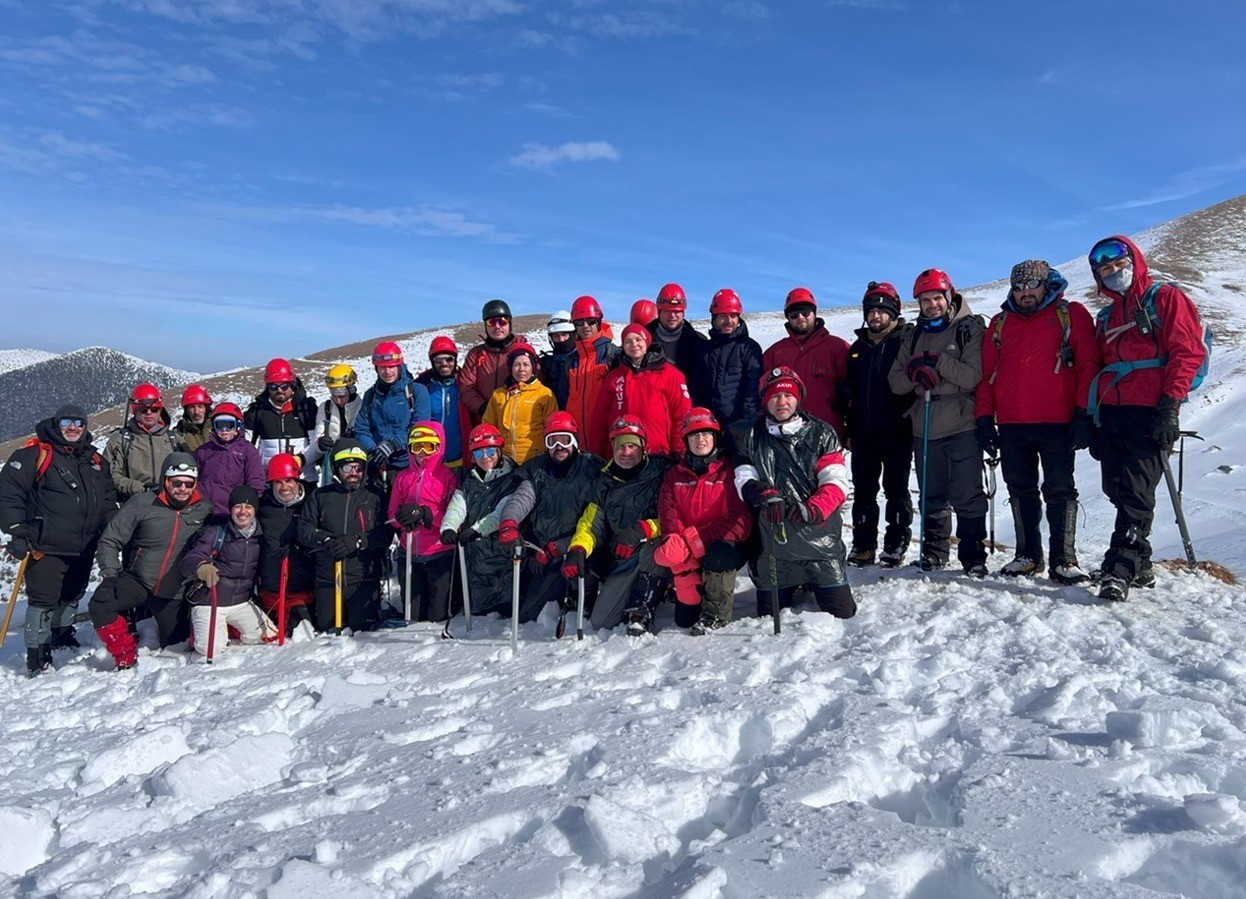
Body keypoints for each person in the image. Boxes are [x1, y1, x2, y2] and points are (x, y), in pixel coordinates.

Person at [1086, 235, 1207, 602]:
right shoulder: (1107, 315)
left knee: (1137, 493)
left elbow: (1187, 352)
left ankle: (1119, 568)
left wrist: (1170, 404)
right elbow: (1099, 364)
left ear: (1135, 262)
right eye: (1105, 269)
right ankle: (1141, 563)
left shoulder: (1165, 299)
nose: (1113, 272)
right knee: (1116, 488)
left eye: (1119, 265)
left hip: (1150, 409)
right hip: (1113, 410)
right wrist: (1092, 416)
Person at [977, 260, 1101, 583]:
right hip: (1012, 423)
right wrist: (983, 419)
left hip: (1058, 422)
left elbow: (1088, 364)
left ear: (1046, 284)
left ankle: (1065, 560)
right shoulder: (1000, 323)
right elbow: (987, 376)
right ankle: (1028, 556)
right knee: (1020, 490)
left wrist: (1083, 412)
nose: (1025, 292)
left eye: (1031, 285)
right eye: (1018, 287)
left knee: (1059, 489)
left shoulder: (1070, 315)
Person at [0, 404, 117, 674]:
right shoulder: (35, 455)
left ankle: (62, 633)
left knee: (73, 593)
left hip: (84, 545)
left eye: (79, 423)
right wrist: (18, 530)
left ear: (86, 426)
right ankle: (37, 655)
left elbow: (108, 501)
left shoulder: (95, 461)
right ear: (57, 423)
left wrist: (113, 531)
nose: (73, 428)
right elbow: (8, 494)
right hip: (45, 545)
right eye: (67, 422)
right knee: (42, 600)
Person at [887, 269, 989, 577]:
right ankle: (933, 552)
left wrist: (936, 362)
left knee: (968, 492)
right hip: (925, 423)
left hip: (961, 423)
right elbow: (896, 382)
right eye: (925, 300)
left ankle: (973, 555)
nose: (931, 305)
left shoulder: (969, 328)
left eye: (936, 298)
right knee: (932, 492)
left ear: (949, 297)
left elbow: (973, 375)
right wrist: (916, 372)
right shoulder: (912, 333)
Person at [733, 367, 855, 620]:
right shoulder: (751, 436)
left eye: (788, 395)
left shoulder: (822, 432)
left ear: (798, 398)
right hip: (774, 546)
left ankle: (814, 581)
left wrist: (814, 508)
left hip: (818, 542)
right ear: (765, 400)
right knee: (768, 614)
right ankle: (792, 583)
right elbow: (744, 477)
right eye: (775, 396)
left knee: (842, 611)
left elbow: (836, 481)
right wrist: (763, 494)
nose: (782, 402)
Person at [90, 452, 213, 670]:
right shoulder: (142, 503)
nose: (182, 489)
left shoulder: (204, 509)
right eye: (176, 483)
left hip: (174, 591)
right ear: (165, 481)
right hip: (138, 581)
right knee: (100, 603)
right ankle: (124, 653)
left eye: (188, 483)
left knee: (175, 644)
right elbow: (110, 539)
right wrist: (110, 574)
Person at [562, 416, 675, 635]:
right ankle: (634, 591)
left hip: (651, 549)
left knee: (658, 546)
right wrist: (578, 549)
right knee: (601, 621)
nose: (626, 452)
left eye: (632, 445)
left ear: (643, 447)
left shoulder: (661, 471)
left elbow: (675, 514)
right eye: (620, 446)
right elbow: (590, 524)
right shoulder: (604, 482)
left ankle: (641, 611)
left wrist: (644, 529)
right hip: (622, 558)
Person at [497, 411, 603, 622]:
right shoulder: (538, 470)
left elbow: (596, 522)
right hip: (541, 551)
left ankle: (583, 594)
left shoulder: (591, 469)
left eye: (565, 440)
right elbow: (521, 499)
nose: (559, 447)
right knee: (524, 613)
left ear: (575, 441)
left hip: (576, 548)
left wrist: (558, 548)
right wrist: (509, 523)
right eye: (552, 441)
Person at [655, 408, 751, 634]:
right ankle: (689, 590)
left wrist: (696, 539)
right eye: (694, 435)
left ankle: (715, 613)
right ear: (686, 441)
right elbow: (667, 511)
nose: (701, 440)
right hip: (689, 547)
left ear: (715, 438)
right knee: (684, 620)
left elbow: (740, 521)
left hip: (721, 543)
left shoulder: (728, 472)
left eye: (706, 434)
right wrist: (674, 538)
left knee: (719, 554)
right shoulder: (675, 474)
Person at [842, 282, 915, 568]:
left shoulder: (904, 341)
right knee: (863, 490)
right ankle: (863, 545)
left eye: (882, 310)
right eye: (871, 310)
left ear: (893, 312)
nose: (876, 316)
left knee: (896, 489)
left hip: (898, 430)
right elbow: (850, 388)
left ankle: (895, 544)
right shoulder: (857, 348)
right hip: (864, 432)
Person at [297, 438, 390, 633]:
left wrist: (358, 541)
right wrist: (324, 539)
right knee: (327, 626)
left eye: (358, 468)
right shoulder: (321, 495)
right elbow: (305, 527)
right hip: (329, 576)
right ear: (337, 469)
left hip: (362, 577)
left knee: (361, 627)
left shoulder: (375, 496)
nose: (353, 473)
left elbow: (385, 533)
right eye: (347, 468)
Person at [180, 485, 277, 658]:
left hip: (240, 602)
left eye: (248, 507)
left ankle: (231, 627)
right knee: (211, 649)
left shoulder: (260, 536)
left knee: (269, 636)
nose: (242, 512)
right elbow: (188, 561)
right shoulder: (217, 532)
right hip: (211, 602)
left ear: (255, 510)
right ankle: (199, 631)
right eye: (237, 506)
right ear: (230, 509)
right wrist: (201, 566)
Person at [440, 423, 520, 617]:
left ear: (499, 450)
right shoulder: (470, 480)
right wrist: (449, 527)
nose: (485, 458)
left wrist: (477, 530)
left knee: (503, 609)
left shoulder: (512, 479)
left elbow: (503, 511)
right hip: (476, 557)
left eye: (490, 451)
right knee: (480, 612)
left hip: (502, 556)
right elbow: (458, 505)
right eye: (478, 454)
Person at [388, 422, 459, 622]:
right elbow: (392, 514)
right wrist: (403, 519)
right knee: (413, 615)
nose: (422, 453)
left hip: (439, 553)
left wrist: (427, 515)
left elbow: (454, 516)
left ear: (439, 447)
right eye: (416, 447)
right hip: (410, 553)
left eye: (428, 446)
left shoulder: (446, 477)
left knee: (437, 615)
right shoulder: (403, 477)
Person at [761, 287, 851, 440]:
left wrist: (851, 427)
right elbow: (763, 396)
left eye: (805, 312)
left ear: (814, 313)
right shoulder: (774, 353)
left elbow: (855, 389)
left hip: (828, 433)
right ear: (788, 318)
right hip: (786, 437)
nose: (800, 317)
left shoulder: (838, 347)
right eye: (794, 314)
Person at [592, 324, 692, 458]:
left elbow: (682, 414)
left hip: (658, 454)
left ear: (646, 341)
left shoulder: (671, 374)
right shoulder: (614, 377)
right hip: (622, 455)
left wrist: (680, 450)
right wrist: (597, 455)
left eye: (638, 339)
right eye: (628, 341)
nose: (634, 344)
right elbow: (600, 420)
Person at [356, 342, 431, 487]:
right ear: (376, 368)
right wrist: (374, 450)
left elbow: (420, 426)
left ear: (399, 366)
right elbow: (361, 427)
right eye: (383, 367)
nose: (387, 372)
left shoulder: (416, 392)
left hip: (409, 465)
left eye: (391, 366)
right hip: (380, 467)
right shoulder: (371, 395)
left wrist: (395, 443)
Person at [257, 453, 317, 635]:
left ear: (297, 480)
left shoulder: (311, 503)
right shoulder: (263, 506)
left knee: (297, 632)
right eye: (278, 482)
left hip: (300, 589)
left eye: (289, 481)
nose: (284, 487)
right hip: (270, 591)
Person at [691, 288, 763, 433]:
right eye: (723, 316)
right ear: (714, 317)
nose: (729, 321)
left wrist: (744, 426)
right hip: (708, 428)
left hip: (739, 429)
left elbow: (752, 392)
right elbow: (696, 389)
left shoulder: (749, 348)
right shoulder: (704, 349)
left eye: (733, 316)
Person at [243, 358, 319, 484]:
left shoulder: (306, 409)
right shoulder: (256, 411)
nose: (279, 390)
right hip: (269, 480)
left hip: (304, 478)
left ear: (292, 383)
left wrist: (300, 460)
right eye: (273, 386)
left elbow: (316, 443)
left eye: (284, 386)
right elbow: (245, 445)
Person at [483, 342, 558, 466]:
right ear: (510, 368)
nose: (521, 369)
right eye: (516, 365)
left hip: (535, 460)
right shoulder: (498, 395)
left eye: (526, 364)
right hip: (505, 460)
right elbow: (488, 426)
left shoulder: (544, 394)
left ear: (533, 368)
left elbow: (552, 429)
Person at [104, 383, 180, 501]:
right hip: (134, 504)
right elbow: (110, 476)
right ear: (135, 410)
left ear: (160, 411)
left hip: (168, 504)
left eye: (154, 409)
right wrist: (142, 488)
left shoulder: (174, 439)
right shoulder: (120, 440)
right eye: (143, 410)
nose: (149, 413)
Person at [564, 295, 621, 450]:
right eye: (579, 322)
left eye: (590, 321)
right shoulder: (571, 361)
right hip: (576, 445)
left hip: (606, 443)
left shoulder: (613, 355)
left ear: (599, 321)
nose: (585, 326)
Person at [193, 402, 266, 518]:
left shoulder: (247, 450)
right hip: (205, 510)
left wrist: (248, 507)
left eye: (229, 425)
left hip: (233, 512)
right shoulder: (203, 451)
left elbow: (256, 482)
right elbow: (192, 478)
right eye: (219, 425)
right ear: (213, 427)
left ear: (238, 426)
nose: (224, 430)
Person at [459, 299, 520, 426]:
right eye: (491, 322)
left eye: (502, 321)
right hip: (484, 423)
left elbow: (535, 383)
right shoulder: (476, 354)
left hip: (515, 422)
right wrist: (484, 408)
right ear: (486, 325)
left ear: (510, 323)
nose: (497, 326)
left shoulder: (521, 351)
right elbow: (466, 387)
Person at [416, 337, 471, 468]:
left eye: (449, 359)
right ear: (432, 362)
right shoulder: (423, 386)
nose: (444, 363)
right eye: (438, 360)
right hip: (431, 461)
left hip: (461, 460)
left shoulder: (465, 383)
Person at [306, 364, 362, 483]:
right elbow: (317, 440)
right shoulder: (325, 408)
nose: (337, 400)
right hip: (331, 467)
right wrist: (321, 444)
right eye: (333, 394)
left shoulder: (362, 408)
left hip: (356, 467)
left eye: (341, 395)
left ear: (351, 389)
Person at [647, 283, 708, 379]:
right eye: (667, 311)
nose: (672, 316)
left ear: (683, 312)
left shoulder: (699, 343)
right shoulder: (644, 341)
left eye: (676, 311)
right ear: (659, 311)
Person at [539, 310, 577, 411]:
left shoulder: (583, 360)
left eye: (564, 334)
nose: (561, 339)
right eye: (556, 335)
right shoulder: (546, 364)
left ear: (574, 334)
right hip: (553, 418)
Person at [174, 384, 213, 453]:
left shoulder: (219, 430)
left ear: (206, 409)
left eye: (200, 406)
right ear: (186, 410)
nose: (196, 412)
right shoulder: (178, 434)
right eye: (192, 407)